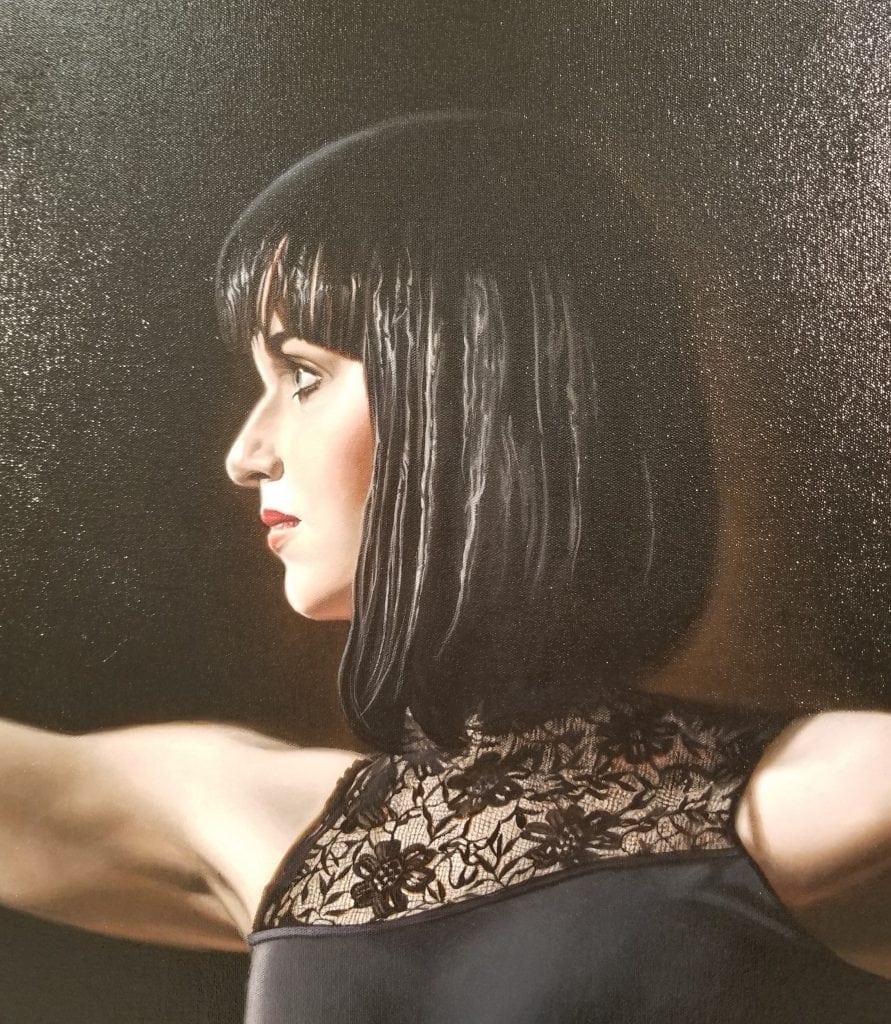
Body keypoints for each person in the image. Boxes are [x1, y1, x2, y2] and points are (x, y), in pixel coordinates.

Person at [1, 112, 888, 1021]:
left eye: (302, 376)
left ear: (471, 388)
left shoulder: (818, 799)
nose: (245, 454)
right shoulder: (272, 829)